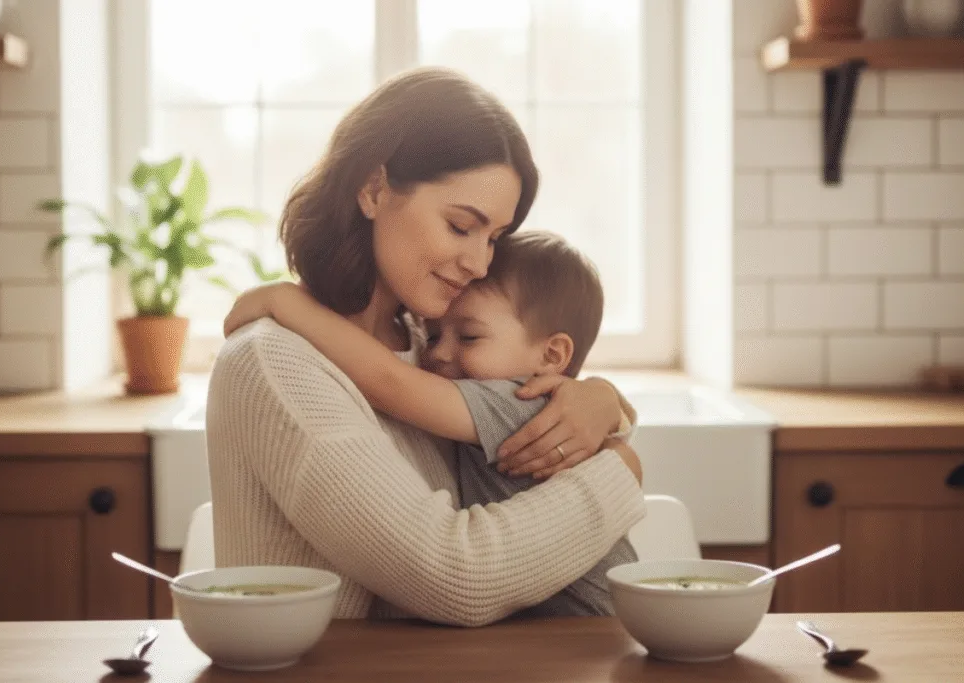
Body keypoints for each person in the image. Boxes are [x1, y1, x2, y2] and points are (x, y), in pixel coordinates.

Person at [206, 66, 645, 627]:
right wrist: (621, 469)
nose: (480, 262)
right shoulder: (273, 362)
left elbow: (514, 415)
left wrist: (601, 400)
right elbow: (457, 579)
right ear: (373, 188)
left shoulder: (428, 344)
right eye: (461, 226)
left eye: (494, 239)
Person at [224, 230, 639, 617]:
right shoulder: (500, 384)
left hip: (589, 623)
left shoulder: (518, 399)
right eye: (437, 334)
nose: (439, 353)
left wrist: (286, 303)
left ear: (551, 357)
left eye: (470, 337)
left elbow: (392, 383)